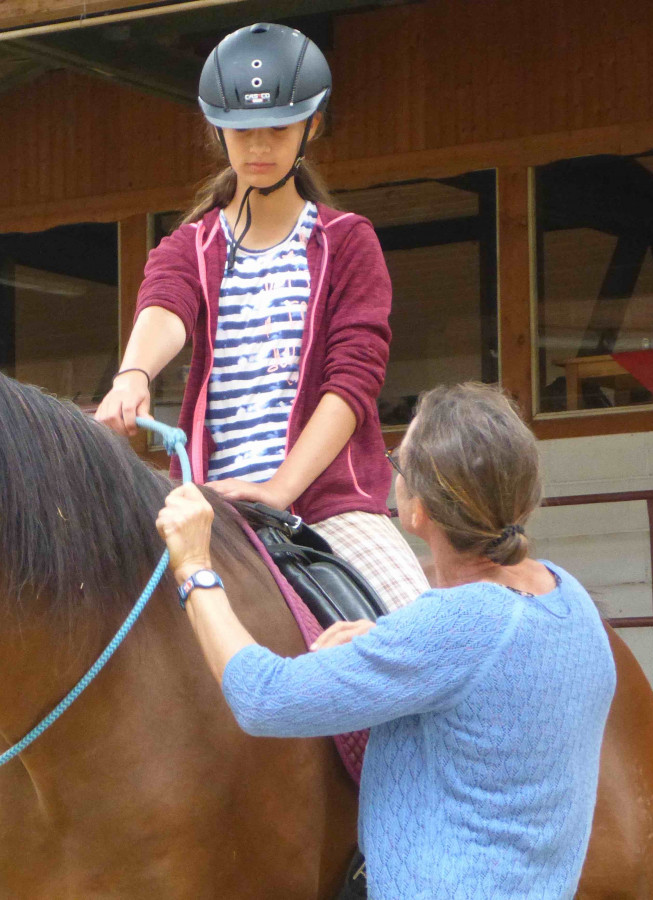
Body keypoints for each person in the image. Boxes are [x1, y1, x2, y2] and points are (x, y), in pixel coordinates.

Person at [155, 383, 616, 899]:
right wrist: (398, 643)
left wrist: (194, 565)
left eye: (397, 464)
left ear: (418, 512)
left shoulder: (456, 626)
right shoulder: (566, 594)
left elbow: (264, 698)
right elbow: (496, 679)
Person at [95, 22, 426, 613]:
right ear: (217, 130)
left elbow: (352, 384)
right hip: (206, 505)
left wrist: (278, 491)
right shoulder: (189, 246)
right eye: (242, 130)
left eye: (278, 128)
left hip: (327, 507)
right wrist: (133, 375)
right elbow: (165, 304)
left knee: (417, 630)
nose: (259, 147)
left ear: (312, 126)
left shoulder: (348, 242)